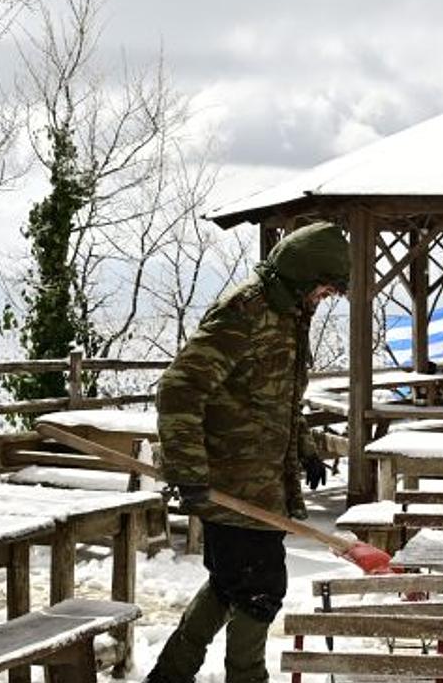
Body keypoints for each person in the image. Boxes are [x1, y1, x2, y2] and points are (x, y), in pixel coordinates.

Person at [144, 221, 349, 683]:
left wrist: (305, 449)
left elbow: (276, 397)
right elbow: (180, 388)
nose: (324, 298)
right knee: (260, 590)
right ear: (300, 276)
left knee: (229, 585)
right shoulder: (244, 312)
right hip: (228, 483)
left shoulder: (289, 314)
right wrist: (190, 471)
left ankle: (169, 675)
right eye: (323, 288)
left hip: (262, 486)